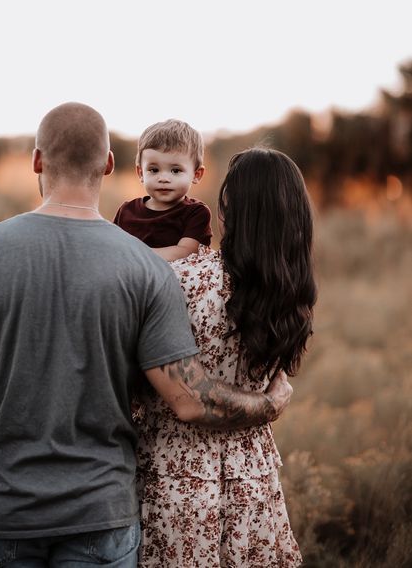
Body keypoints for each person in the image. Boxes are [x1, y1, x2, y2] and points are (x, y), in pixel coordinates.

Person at [0, 103, 293, 568]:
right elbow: (189, 398)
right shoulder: (147, 270)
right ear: (109, 165)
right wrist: (269, 404)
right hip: (101, 516)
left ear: (36, 161)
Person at [136, 146, 317, 567]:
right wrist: (268, 404)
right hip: (252, 479)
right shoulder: (291, 291)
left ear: (227, 211)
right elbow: (272, 384)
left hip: (176, 479)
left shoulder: (179, 281)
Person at [113, 119, 212, 261]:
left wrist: (134, 254)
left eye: (175, 171)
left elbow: (185, 253)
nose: (163, 178)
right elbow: (113, 247)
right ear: (141, 173)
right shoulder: (127, 210)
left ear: (196, 175)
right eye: (154, 170)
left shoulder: (196, 213)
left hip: (173, 281)